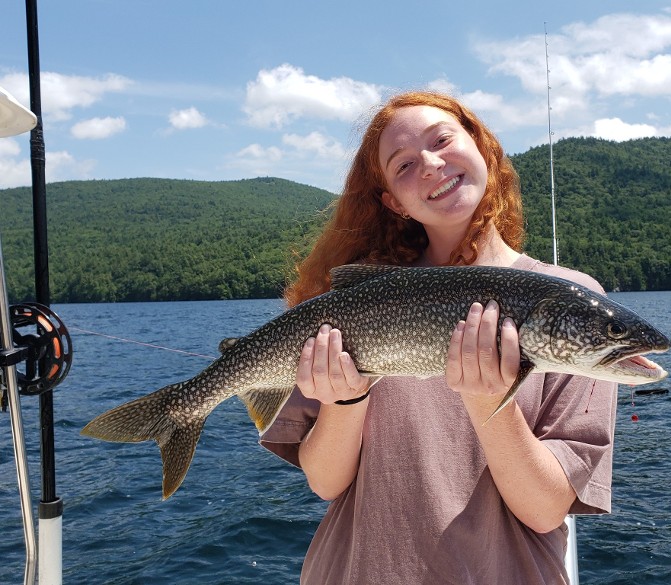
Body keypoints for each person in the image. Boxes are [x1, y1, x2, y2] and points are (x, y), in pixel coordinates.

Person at [260, 91, 618, 585]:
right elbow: (325, 483)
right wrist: (346, 403)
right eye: (403, 165)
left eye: (443, 140)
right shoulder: (351, 309)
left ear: (483, 147)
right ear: (393, 202)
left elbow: (545, 509)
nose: (429, 164)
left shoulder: (574, 299)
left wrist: (489, 402)